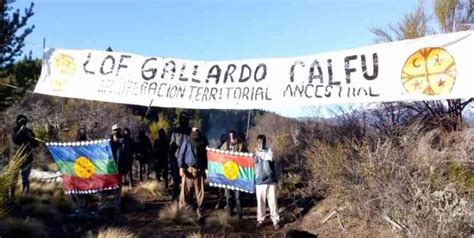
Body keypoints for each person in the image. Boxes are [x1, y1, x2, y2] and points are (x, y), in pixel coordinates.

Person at [177, 127, 208, 220]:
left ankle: (200, 214)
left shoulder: (203, 141)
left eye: (198, 131)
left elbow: (206, 156)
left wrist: (206, 169)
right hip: (188, 170)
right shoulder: (187, 141)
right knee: (184, 193)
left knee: (200, 194)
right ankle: (182, 214)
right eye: (195, 131)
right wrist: (181, 167)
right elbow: (181, 154)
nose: (196, 133)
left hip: (199, 171)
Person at [99, 124, 131, 214]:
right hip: (108, 170)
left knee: (117, 191)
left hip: (118, 170)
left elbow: (127, 157)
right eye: (115, 130)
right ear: (112, 131)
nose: (116, 132)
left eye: (118, 130)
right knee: (104, 190)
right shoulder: (107, 143)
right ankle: (101, 208)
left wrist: (125, 170)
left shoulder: (123, 142)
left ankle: (116, 209)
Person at [254, 134, 281, 229]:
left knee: (273, 202)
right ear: (257, 142)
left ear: (265, 142)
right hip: (259, 182)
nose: (261, 143)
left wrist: (260, 153)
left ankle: (275, 221)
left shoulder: (269, 151)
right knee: (260, 203)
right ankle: (260, 219)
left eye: (262, 141)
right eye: (259, 142)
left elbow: (270, 158)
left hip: (270, 181)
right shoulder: (254, 154)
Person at [222, 130, 247, 220]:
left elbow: (246, 157)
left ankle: (240, 215)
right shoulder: (226, 145)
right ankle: (229, 213)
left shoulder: (241, 145)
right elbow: (220, 155)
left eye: (234, 136)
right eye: (230, 136)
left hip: (238, 175)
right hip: (228, 174)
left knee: (238, 196)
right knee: (228, 196)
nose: (232, 138)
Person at [11, 114, 39, 196]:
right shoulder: (14, 130)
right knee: (13, 178)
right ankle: (11, 196)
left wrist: (31, 138)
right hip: (16, 158)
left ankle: (25, 196)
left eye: (24, 122)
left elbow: (35, 145)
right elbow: (16, 140)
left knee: (25, 178)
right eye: (21, 122)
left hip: (28, 158)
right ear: (17, 122)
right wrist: (20, 131)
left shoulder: (29, 131)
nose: (23, 123)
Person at [169, 111, 192, 200]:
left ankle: (189, 199)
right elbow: (172, 145)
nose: (183, 120)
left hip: (187, 160)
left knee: (188, 181)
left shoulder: (190, 131)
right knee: (176, 180)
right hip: (176, 159)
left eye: (185, 119)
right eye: (181, 118)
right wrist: (171, 159)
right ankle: (174, 198)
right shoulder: (175, 131)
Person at [214, 133, 228, 209]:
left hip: (227, 172)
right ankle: (219, 202)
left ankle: (227, 203)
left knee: (227, 189)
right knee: (220, 190)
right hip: (220, 172)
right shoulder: (218, 149)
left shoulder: (229, 149)